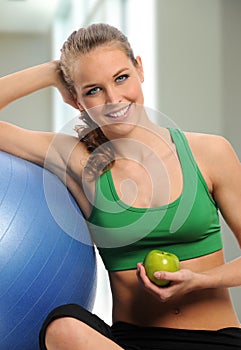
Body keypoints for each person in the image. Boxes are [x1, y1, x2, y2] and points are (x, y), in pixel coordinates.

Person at [0, 23, 241, 350]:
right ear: (76, 99)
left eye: (121, 77)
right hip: (134, 343)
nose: (113, 99)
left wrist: (201, 280)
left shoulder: (210, 152)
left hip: (218, 341)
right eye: (93, 90)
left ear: (139, 69)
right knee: (63, 326)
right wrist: (50, 72)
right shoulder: (79, 161)